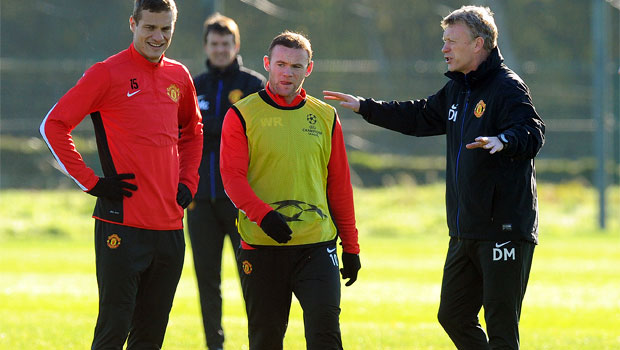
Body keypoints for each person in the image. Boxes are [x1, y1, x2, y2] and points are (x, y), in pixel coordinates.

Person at [324, 5, 545, 350]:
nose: (444, 48)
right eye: (444, 41)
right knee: (453, 315)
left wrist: (503, 141)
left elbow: (533, 132)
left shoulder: (507, 87)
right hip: (464, 230)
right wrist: (365, 107)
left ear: (478, 44)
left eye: (451, 41)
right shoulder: (459, 89)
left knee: (501, 328)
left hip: (503, 230)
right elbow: (419, 116)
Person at [39, 0, 203, 349]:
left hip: (170, 229)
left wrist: (189, 180)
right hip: (122, 225)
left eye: (166, 29)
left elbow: (193, 130)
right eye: (150, 28)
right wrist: (92, 182)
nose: (158, 37)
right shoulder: (107, 72)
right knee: (113, 329)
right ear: (133, 23)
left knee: (150, 335)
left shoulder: (180, 76)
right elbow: (53, 125)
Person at [220, 31, 361, 350]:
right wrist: (263, 216)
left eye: (296, 66)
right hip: (262, 245)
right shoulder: (241, 114)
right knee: (266, 339)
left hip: (317, 245)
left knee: (326, 336)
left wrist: (351, 246)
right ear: (268, 64)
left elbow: (339, 186)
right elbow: (232, 179)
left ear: (309, 68)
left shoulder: (326, 116)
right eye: (281, 64)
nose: (287, 72)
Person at [188, 13, 266, 350]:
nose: (220, 49)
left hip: (241, 203)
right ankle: (214, 345)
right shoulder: (193, 86)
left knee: (252, 275)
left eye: (226, 43)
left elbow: (259, 138)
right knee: (207, 280)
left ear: (237, 45)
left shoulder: (253, 86)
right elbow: (184, 137)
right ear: (205, 46)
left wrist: (213, 130)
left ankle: (259, 342)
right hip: (200, 201)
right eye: (214, 43)